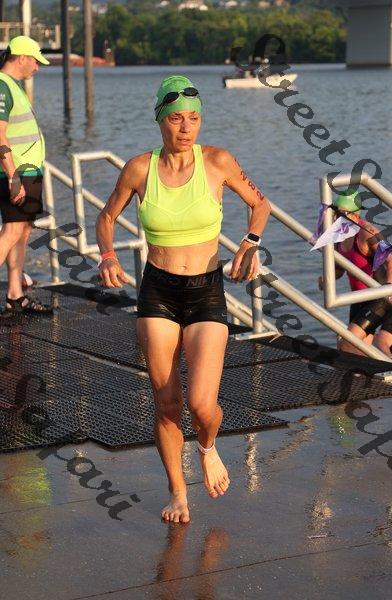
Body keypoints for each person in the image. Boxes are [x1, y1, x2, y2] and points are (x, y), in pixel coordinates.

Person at [96, 75, 271, 523]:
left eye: (193, 118)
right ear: (161, 120)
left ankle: (208, 447)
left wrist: (250, 242)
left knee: (202, 406)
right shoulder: (139, 169)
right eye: (176, 119)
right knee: (167, 402)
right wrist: (108, 255)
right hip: (158, 291)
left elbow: (260, 204)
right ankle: (178, 492)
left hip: (206, 290)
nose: (186, 127)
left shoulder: (218, 161)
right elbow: (107, 216)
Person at [0, 35, 52, 314]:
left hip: (28, 171)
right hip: (15, 172)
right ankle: (14, 294)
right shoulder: (2, 85)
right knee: (11, 231)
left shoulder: (13, 85)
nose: (37, 67)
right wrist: (12, 176)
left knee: (22, 230)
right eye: (35, 61)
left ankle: (15, 295)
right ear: (21, 58)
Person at [318, 190, 392, 360]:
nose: (336, 218)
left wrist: (389, 290)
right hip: (359, 299)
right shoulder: (339, 236)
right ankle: (385, 370)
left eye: (341, 214)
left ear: (355, 215)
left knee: (347, 344)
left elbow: (391, 262)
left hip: (380, 296)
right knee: (357, 351)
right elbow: (340, 269)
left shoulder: (367, 232)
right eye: (335, 213)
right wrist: (326, 280)